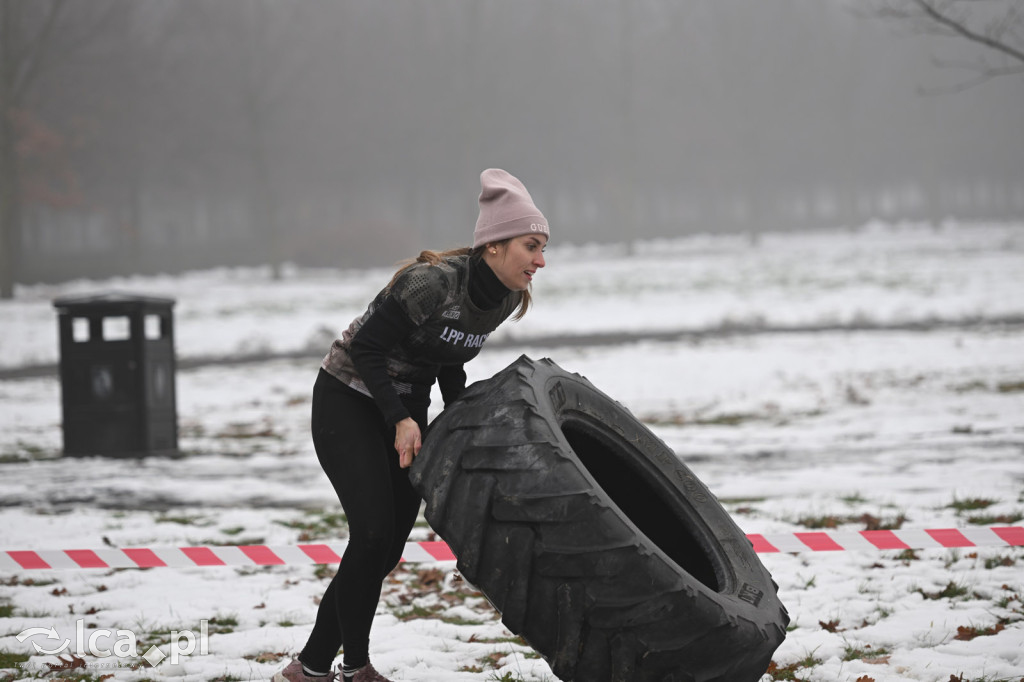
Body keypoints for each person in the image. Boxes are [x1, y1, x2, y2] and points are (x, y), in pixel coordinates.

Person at [274, 169, 550, 682]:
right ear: (493, 245)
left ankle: (308, 667)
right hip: (348, 399)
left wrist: (462, 423)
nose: (540, 260)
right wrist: (400, 418)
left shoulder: (505, 299)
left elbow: (448, 356)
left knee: (387, 546)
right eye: (531, 246)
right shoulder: (431, 283)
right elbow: (365, 348)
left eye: (542, 248)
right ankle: (356, 668)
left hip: (405, 410)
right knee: (372, 533)